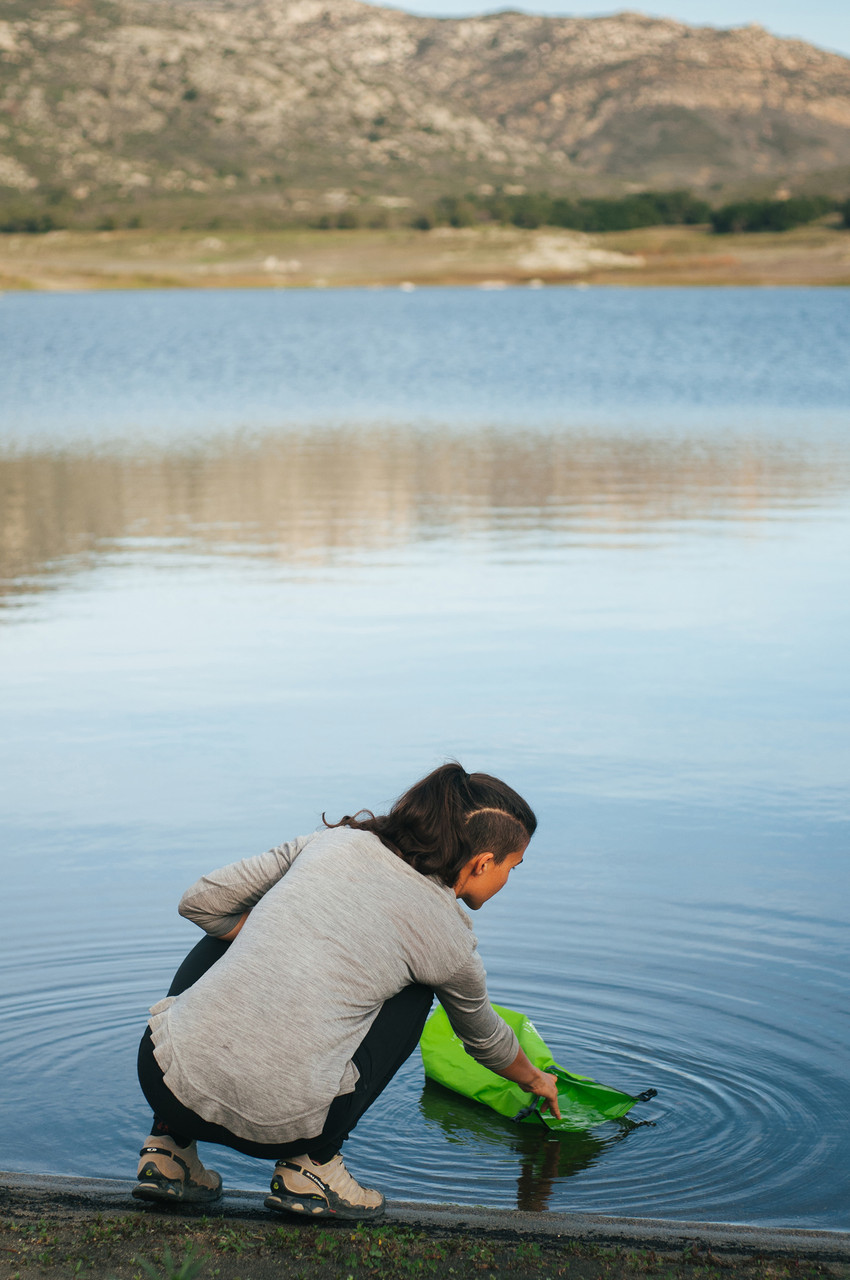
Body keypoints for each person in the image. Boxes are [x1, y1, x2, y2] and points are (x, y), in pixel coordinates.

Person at [134, 762, 560, 1220]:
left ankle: (167, 1150)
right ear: (482, 863)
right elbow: (484, 1039)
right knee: (419, 990)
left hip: (162, 1082)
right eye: (513, 867)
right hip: (284, 1124)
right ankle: (313, 1167)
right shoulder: (448, 938)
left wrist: (279, 932)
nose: (509, 879)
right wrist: (536, 1079)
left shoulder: (330, 843)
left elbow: (199, 902)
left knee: (226, 931)